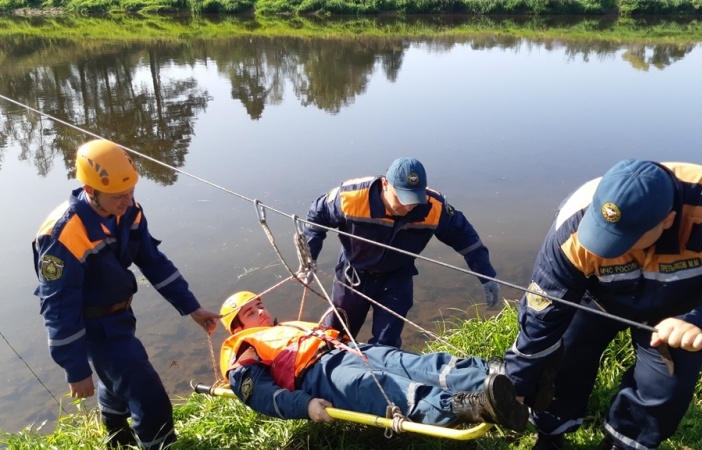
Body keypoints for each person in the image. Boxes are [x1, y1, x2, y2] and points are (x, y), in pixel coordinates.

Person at [501, 160, 702, 450]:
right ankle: (551, 433)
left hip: (679, 314)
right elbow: (542, 312)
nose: (605, 249)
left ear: (667, 221)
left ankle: (624, 443)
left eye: (623, 239)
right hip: (597, 300)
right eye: (601, 233)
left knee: (663, 391)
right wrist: (516, 382)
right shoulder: (574, 224)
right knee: (564, 359)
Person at [32, 139, 221, 449]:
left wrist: (191, 307)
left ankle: (117, 437)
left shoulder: (127, 211)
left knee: (118, 378)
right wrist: (76, 369)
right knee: (148, 393)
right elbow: (58, 308)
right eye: (119, 196)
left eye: (131, 192)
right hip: (92, 325)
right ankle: (160, 444)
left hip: (118, 314)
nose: (127, 202)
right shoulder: (65, 235)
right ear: (91, 191)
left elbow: (152, 260)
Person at [218, 290, 528, 431]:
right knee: (381, 387)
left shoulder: (284, 328)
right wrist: (305, 406)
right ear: (238, 327)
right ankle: (471, 405)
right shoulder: (244, 351)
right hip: (317, 376)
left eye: (259, 304)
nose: (261, 311)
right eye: (251, 312)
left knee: (413, 364)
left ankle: (500, 374)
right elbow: (261, 395)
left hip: (346, 350)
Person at [302, 157, 500, 347]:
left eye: (414, 199)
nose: (409, 206)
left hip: (397, 277)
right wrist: (309, 259)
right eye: (403, 198)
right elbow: (316, 218)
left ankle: (378, 377)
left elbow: (466, 238)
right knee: (336, 333)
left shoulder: (433, 208)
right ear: (386, 184)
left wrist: (486, 275)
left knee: (387, 342)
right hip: (354, 274)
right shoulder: (352, 197)